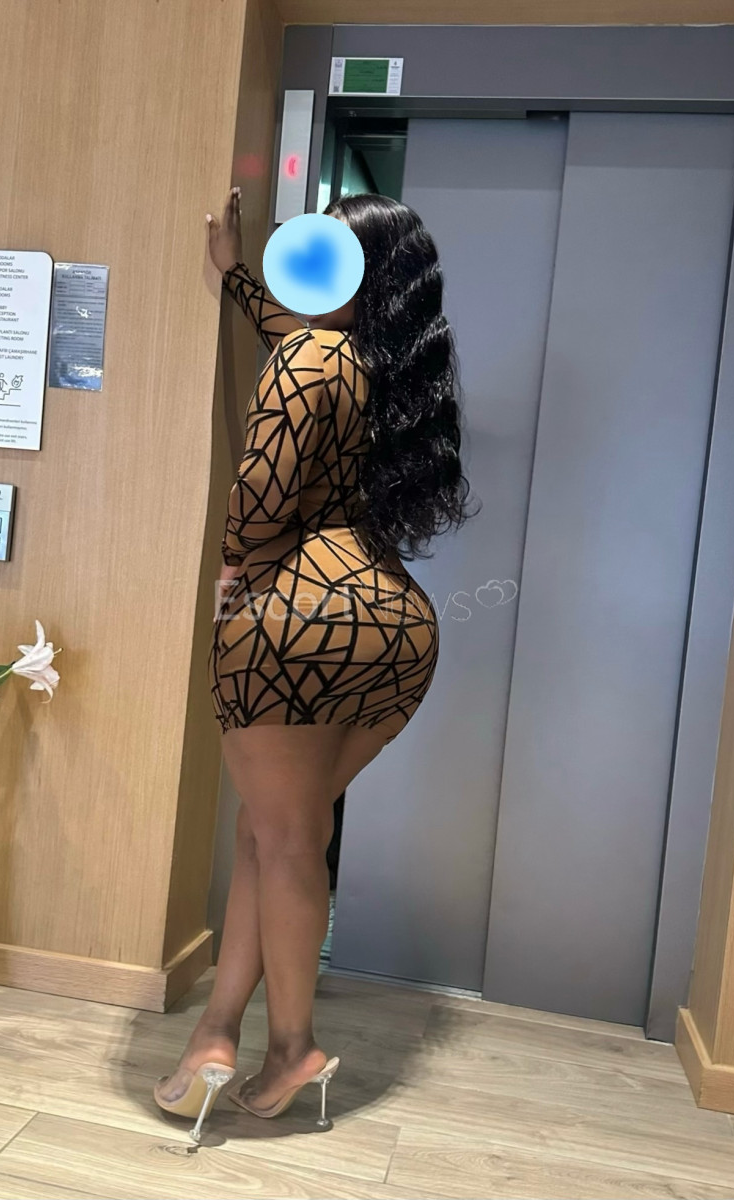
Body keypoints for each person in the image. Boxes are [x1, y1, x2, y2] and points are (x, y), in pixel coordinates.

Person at [155, 188, 471, 1140]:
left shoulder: (308, 359)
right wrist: (235, 277)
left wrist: (233, 569)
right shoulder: (387, 366)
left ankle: (292, 1047)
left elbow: (260, 498)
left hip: (294, 619)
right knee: (274, 830)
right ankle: (216, 1036)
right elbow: (297, 338)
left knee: (285, 836)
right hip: (393, 625)